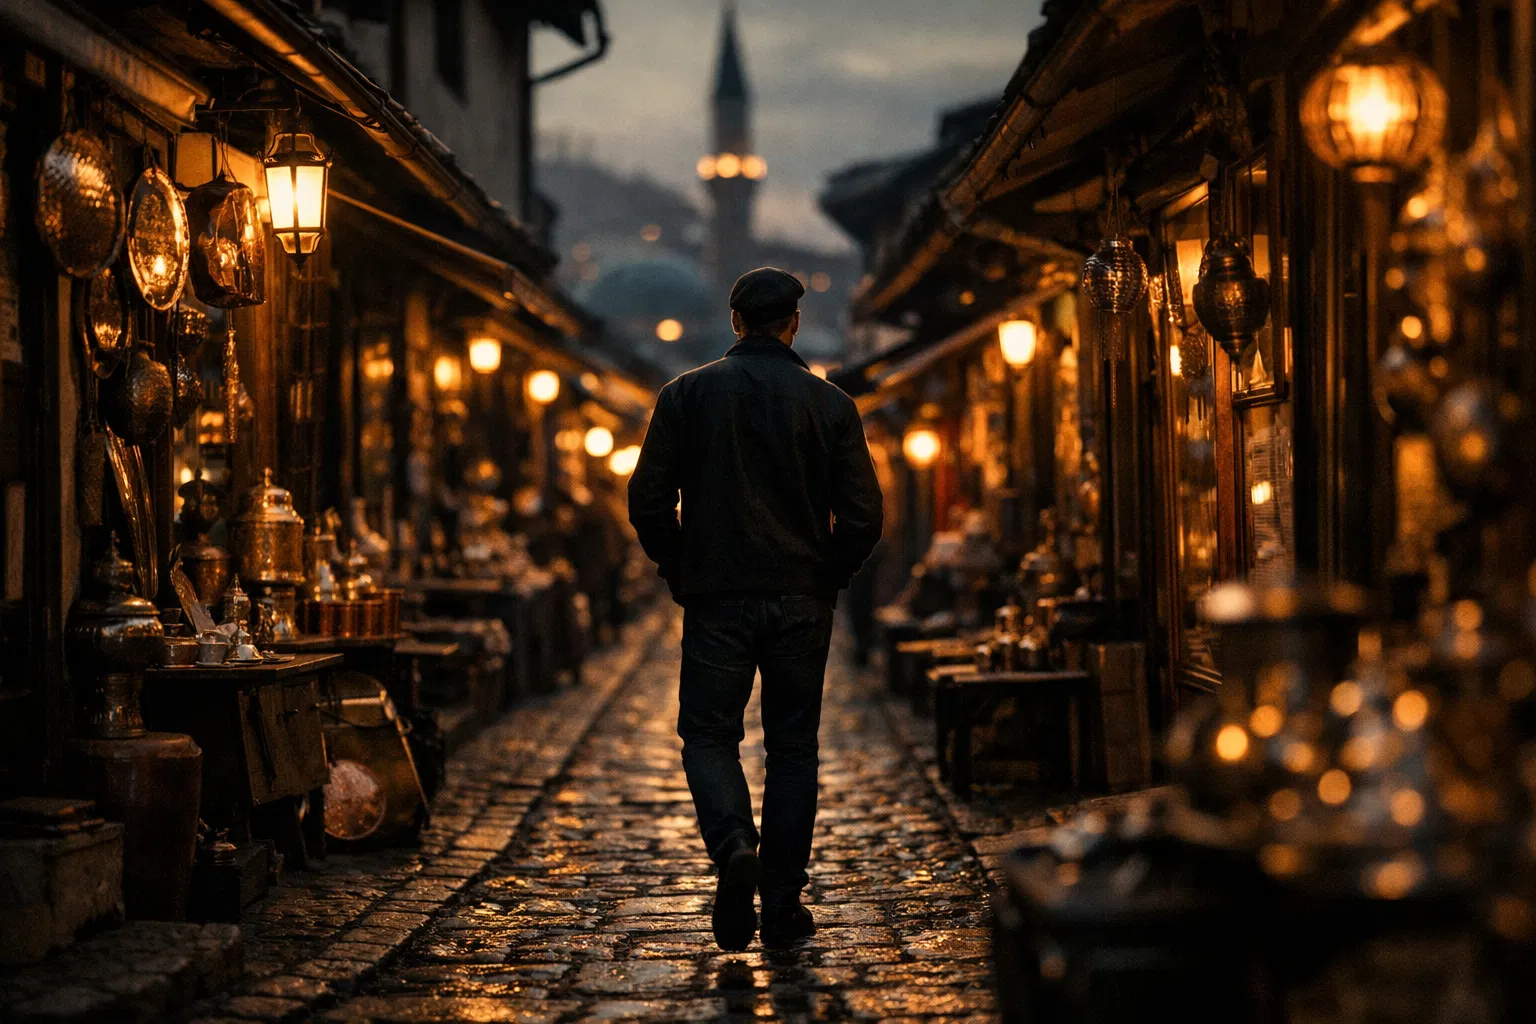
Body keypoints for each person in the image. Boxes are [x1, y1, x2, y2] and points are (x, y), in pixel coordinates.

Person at [628, 267, 884, 951]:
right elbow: (862, 516)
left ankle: (735, 845)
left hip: (717, 598)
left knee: (710, 735)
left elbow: (649, 501)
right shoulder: (830, 405)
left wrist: (681, 569)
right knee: (793, 748)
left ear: (736, 322)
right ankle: (782, 903)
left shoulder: (685, 396)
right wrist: (828, 573)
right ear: (793, 323)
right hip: (802, 598)